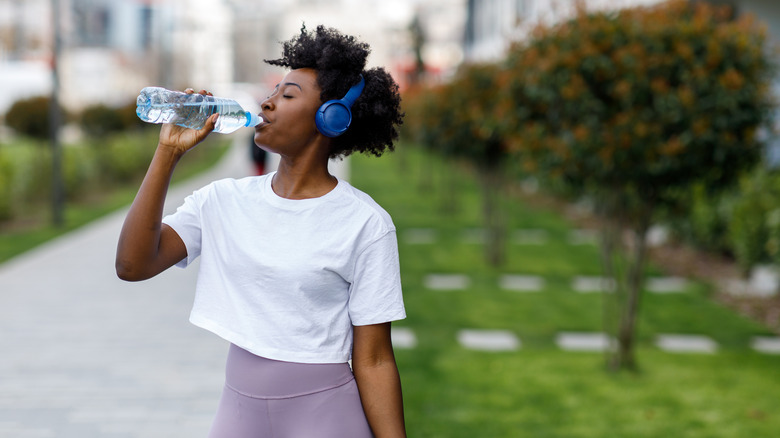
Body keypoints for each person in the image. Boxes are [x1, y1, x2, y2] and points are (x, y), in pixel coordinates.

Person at [116, 25, 407, 437]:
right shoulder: (221, 200)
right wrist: (167, 154)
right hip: (237, 414)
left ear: (331, 117)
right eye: (272, 92)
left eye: (288, 95)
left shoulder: (365, 223)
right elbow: (132, 264)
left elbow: (375, 359)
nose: (267, 104)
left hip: (325, 416)